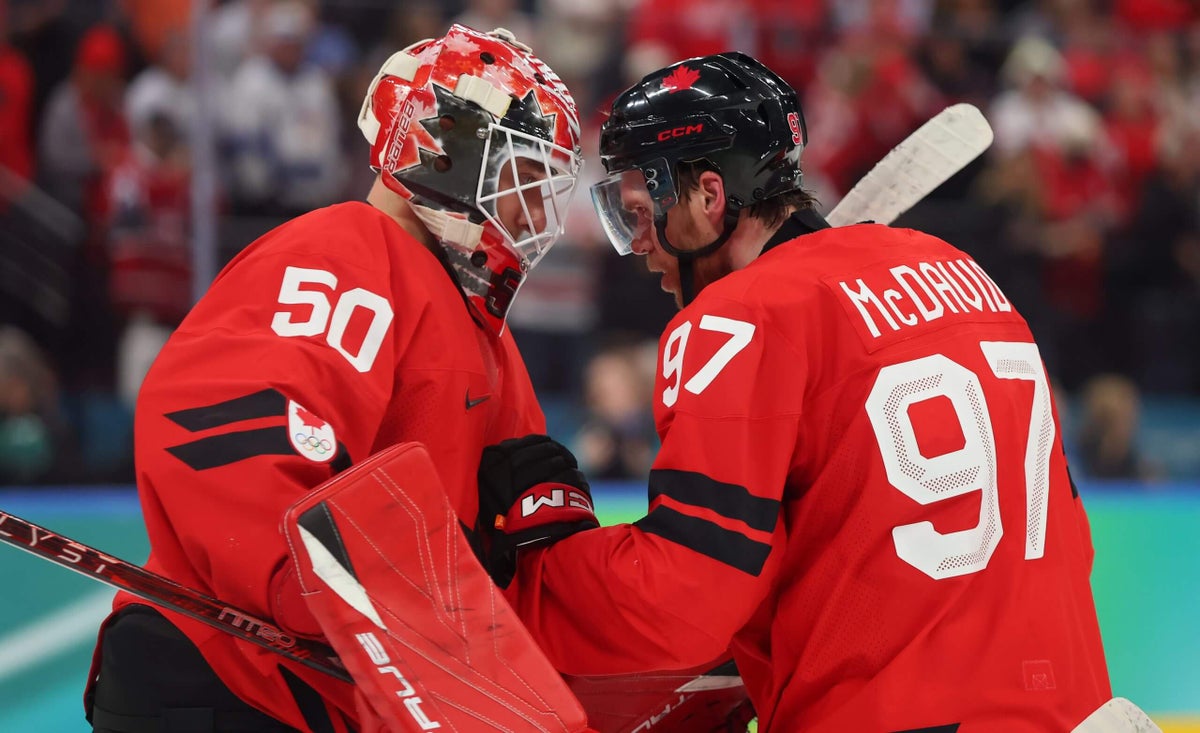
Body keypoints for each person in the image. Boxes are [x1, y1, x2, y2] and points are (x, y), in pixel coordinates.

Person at [478, 53, 1113, 731]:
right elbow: (1063, 534)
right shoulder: (960, 271)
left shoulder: (736, 320)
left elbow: (682, 601)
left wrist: (545, 561)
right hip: (1075, 705)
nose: (639, 245)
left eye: (639, 208)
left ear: (708, 195)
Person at [86, 24, 583, 732]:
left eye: (544, 189)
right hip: (227, 677)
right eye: (520, 181)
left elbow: (474, 572)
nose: (537, 216)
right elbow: (222, 433)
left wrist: (516, 548)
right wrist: (353, 589)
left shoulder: (481, 329)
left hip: (321, 690)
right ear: (446, 157)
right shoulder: (345, 251)